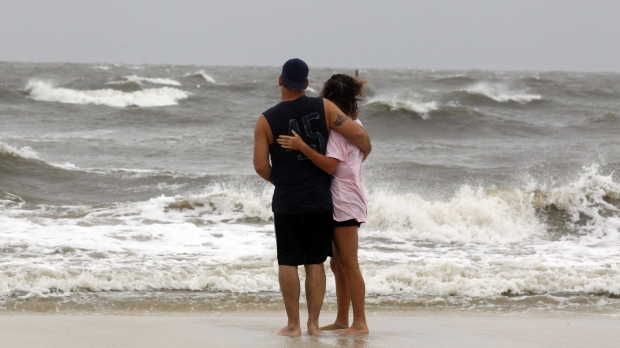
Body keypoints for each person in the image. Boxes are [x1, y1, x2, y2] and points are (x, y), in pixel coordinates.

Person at [253, 59, 371, 336]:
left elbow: (260, 166)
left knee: (288, 261)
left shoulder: (265, 119)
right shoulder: (326, 108)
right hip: (321, 199)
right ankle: (314, 325)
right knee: (317, 262)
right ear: (306, 84)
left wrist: (281, 181)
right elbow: (358, 134)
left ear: (280, 80)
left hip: (289, 199)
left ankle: (294, 325)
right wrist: (366, 151)